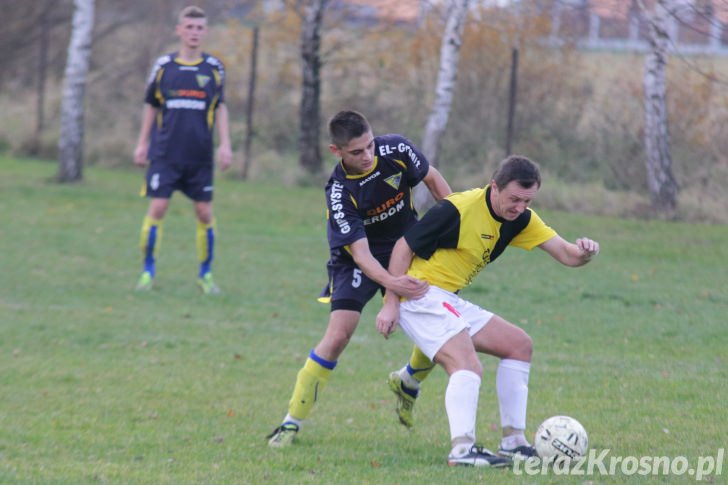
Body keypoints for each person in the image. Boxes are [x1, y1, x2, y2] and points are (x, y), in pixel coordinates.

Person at [376, 155, 600, 467]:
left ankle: (513, 442)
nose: (519, 207)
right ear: (494, 187)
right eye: (514, 199)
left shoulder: (521, 219)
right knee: (467, 365)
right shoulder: (459, 208)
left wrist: (586, 252)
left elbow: (568, 254)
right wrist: (391, 302)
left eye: (527, 200)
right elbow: (403, 247)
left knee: (519, 346)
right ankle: (462, 449)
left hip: (448, 299)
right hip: (419, 294)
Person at [267, 110, 451, 448]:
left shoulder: (395, 150)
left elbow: (435, 181)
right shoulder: (339, 192)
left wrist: (454, 224)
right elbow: (363, 255)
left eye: (369, 146)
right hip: (356, 259)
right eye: (356, 152)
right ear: (336, 151)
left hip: (406, 246)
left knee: (438, 320)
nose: (367, 156)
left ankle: (408, 381)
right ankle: (290, 423)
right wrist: (393, 289)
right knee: (338, 335)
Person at [133, 5, 232, 294]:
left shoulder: (214, 68)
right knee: (158, 207)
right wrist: (142, 143)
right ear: (179, 30)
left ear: (206, 32)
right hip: (165, 154)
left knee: (203, 213)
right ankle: (147, 272)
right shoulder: (164, 66)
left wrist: (225, 144)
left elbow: (221, 107)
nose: (194, 32)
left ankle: (206, 274)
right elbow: (151, 105)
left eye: (199, 28)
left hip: (200, 156)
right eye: (189, 27)